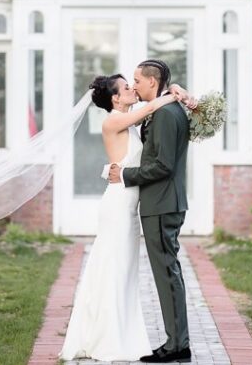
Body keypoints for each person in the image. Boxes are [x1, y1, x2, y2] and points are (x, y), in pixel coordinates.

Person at [59, 73, 194, 363]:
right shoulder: (112, 120)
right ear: (115, 98)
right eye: (125, 86)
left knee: (125, 273)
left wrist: (175, 88)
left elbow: (147, 118)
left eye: (133, 82)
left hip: (132, 207)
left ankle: (123, 334)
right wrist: (175, 94)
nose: (132, 88)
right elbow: (148, 109)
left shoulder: (132, 120)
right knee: (113, 270)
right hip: (119, 206)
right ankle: (106, 338)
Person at [109, 59, 192, 364]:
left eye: (137, 80)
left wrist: (126, 176)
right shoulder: (164, 109)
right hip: (163, 203)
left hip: (162, 203)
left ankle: (177, 346)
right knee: (168, 272)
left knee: (167, 274)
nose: (134, 85)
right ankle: (177, 341)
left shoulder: (167, 115)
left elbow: (163, 165)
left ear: (152, 82)